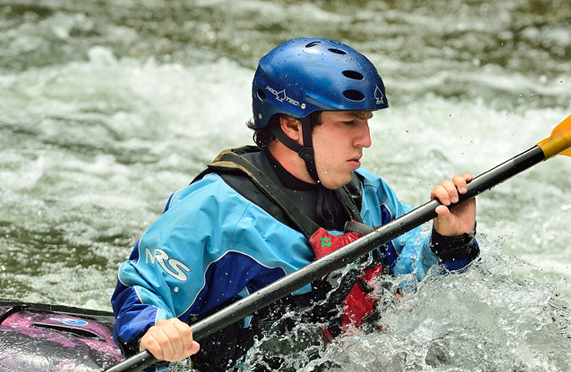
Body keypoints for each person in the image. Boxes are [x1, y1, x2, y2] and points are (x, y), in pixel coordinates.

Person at [111, 37, 480, 371]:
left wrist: (450, 239)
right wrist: (155, 329)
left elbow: (418, 287)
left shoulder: (368, 195)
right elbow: (140, 290)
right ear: (290, 126)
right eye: (349, 122)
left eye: (365, 122)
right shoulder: (215, 210)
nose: (365, 139)